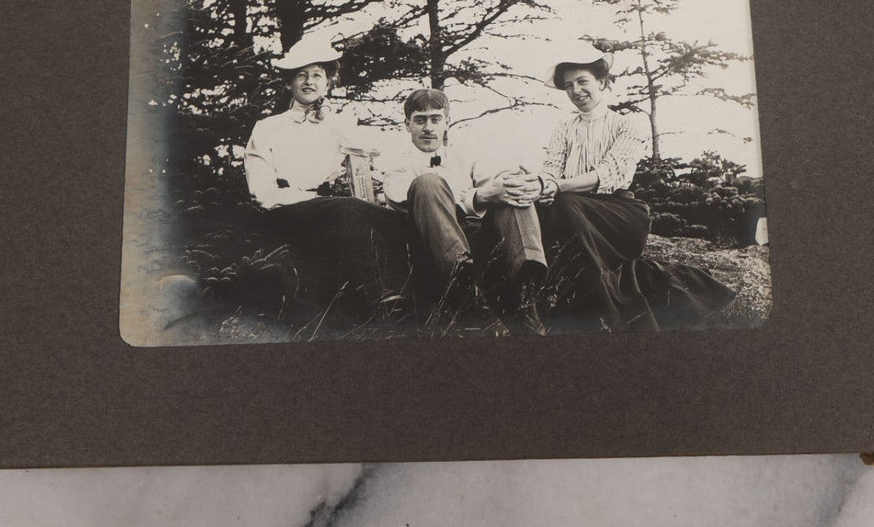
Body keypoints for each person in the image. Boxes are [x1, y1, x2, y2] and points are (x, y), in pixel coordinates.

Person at [529, 44, 737, 332]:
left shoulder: (627, 125)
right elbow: (550, 169)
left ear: (602, 81)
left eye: (582, 81)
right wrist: (539, 185)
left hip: (619, 214)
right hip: (572, 212)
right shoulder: (563, 128)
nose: (576, 91)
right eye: (568, 86)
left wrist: (556, 186)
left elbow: (607, 174)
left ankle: (607, 314)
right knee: (550, 210)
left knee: (564, 205)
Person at [242, 39, 408, 327]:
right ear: (288, 83)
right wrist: (311, 200)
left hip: (333, 209)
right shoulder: (268, 128)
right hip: (288, 211)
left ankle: (412, 301)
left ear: (328, 83)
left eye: (318, 74)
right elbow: (262, 192)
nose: (309, 82)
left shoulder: (336, 125)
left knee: (391, 219)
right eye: (301, 75)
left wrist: (333, 121)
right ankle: (381, 296)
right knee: (347, 210)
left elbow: (372, 152)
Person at [382, 88, 547, 323]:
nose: (428, 127)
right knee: (428, 183)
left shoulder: (464, 155)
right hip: (429, 251)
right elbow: (412, 204)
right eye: (420, 120)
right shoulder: (396, 163)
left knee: (511, 188)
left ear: (447, 122)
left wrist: (512, 184)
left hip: (476, 240)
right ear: (407, 125)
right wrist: (478, 197)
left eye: (435, 119)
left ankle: (526, 291)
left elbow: (493, 180)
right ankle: (469, 298)